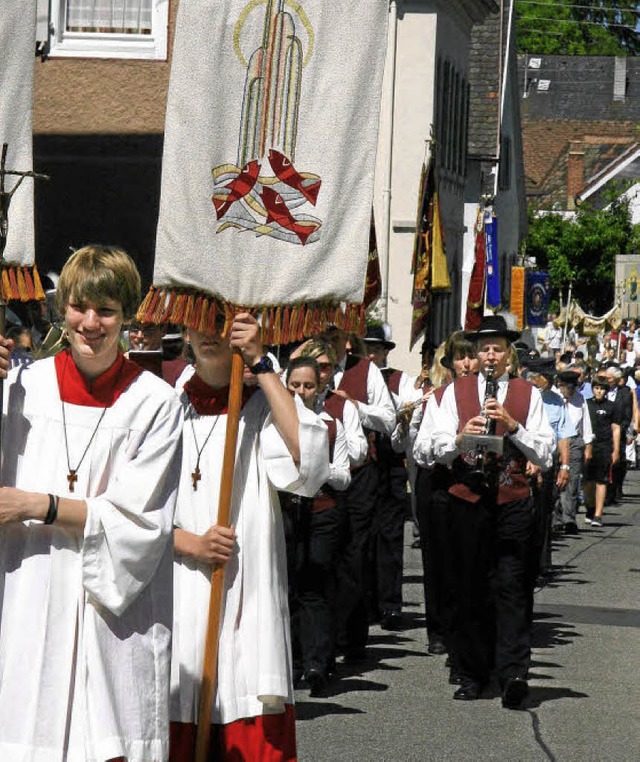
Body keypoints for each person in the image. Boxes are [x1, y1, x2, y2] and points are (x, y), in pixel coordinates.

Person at [0, 244, 184, 761]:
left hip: (111, 613)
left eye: (106, 310)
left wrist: (39, 504)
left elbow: (140, 521)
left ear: (127, 316)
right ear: (63, 310)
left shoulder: (155, 403)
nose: (91, 322)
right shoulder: (21, 388)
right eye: (80, 307)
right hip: (28, 592)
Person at [169, 312, 329, 761]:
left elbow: (310, 466)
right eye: (195, 321)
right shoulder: (165, 407)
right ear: (184, 330)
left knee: (245, 700)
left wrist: (261, 363)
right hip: (178, 587)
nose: (207, 332)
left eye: (219, 321)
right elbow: (127, 510)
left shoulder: (263, 407)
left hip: (246, 589)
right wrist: (186, 542)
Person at [431, 315, 554, 708]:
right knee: (469, 588)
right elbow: (430, 448)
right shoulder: (454, 392)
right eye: (483, 348)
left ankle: (513, 673)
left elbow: (546, 453)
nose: (489, 355)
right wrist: (460, 436)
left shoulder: (527, 393)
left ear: (508, 355)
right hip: (467, 499)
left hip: (512, 499)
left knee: (512, 587)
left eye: (497, 349)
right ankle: (471, 672)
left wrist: (514, 426)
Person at [316, 324, 395, 661]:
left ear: (347, 341)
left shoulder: (366, 371)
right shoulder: (309, 366)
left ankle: (351, 637)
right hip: (319, 477)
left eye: (334, 338)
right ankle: (321, 638)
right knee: (321, 558)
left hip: (359, 473)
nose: (329, 344)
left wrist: (355, 407)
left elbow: (389, 420)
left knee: (354, 556)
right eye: (325, 337)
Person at [283, 356, 351, 696]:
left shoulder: (329, 423)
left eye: (308, 385)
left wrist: (316, 465)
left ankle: (317, 663)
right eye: (295, 385)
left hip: (321, 511)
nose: (301, 391)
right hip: (284, 511)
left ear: (319, 387)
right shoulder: (273, 422)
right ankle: (290, 661)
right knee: (287, 586)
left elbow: (344, 475)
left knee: (314, 584)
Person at [412, 332, 477, 664]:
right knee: (437, 559)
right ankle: (438, 630)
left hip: (476, 484)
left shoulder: (488, 396)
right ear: (450, 363)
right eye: (460, 357)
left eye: (471, 356)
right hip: (440, 480)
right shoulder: (436, 398)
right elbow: (422, 450)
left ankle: (466, 628)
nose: (466, 363)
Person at [363, 323, 417, 630]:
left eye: (376, 349)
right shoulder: (354, 376)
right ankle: (367, 602)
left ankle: (391, 604)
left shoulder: (401, 380)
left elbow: (406, 413)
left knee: (390, 536)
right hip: (363, 465)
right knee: (364, 535)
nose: (370, 354)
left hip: (391, 462)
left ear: (385, 352)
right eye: (366, 348)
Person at [556, 369, 594, 535]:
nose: (570, 391)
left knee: (572, 482)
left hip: (575, 441)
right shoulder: (553, 397)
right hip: (556, 440)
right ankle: (555, 519)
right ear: (561, 386)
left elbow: (586, 423)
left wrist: (588, 445)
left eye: (573, 388)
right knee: (556, 481)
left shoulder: (580, 399)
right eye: (567, 388)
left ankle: (569, 518)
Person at [584, 376, 620, 527]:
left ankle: (598, 514)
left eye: (602, 389)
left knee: (601, 480)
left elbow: (616, 428)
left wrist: (616, 450)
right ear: (592, 389)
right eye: (597, 388)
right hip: (588, 445)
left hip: (604, 446)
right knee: (587, 482)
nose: (599, 391)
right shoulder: (586, 405)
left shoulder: (611, 406)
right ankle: (590, 507)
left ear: (606, 391)